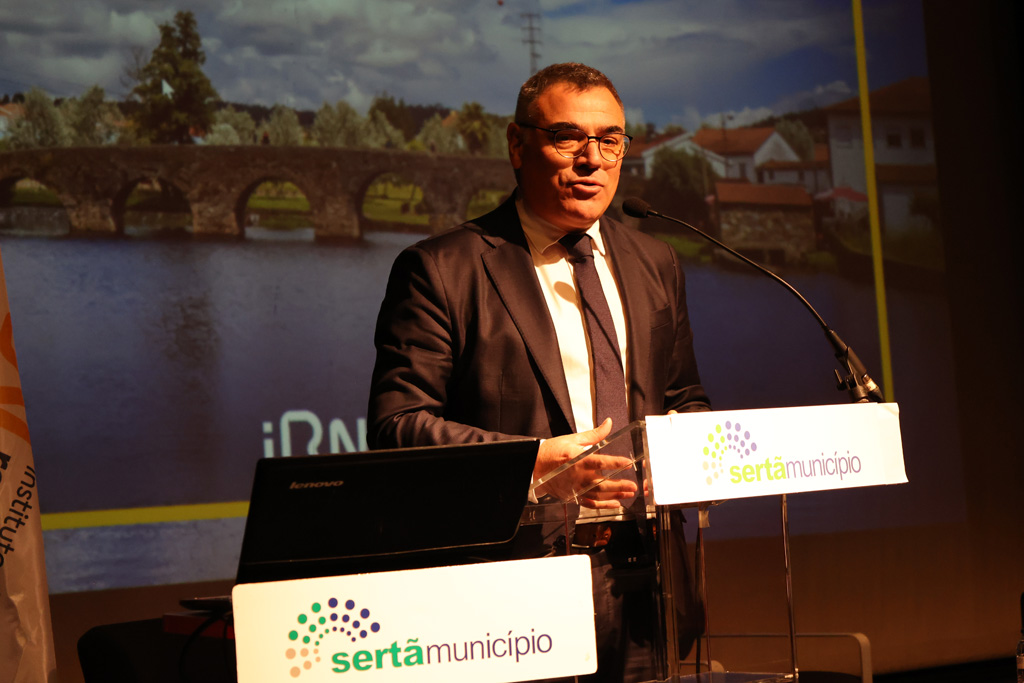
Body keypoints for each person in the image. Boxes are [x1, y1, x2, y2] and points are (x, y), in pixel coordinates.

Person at [367, 62, 710, 682]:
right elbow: (399, 425)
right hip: (511, 594)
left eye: (610, 140)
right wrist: (534, 465)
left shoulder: (656, 261)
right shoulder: (442, 269)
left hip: (648, 582)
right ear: (517, 145)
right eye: (567, 137)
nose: (592, 159)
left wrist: (691, 460)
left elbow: (684, 397)